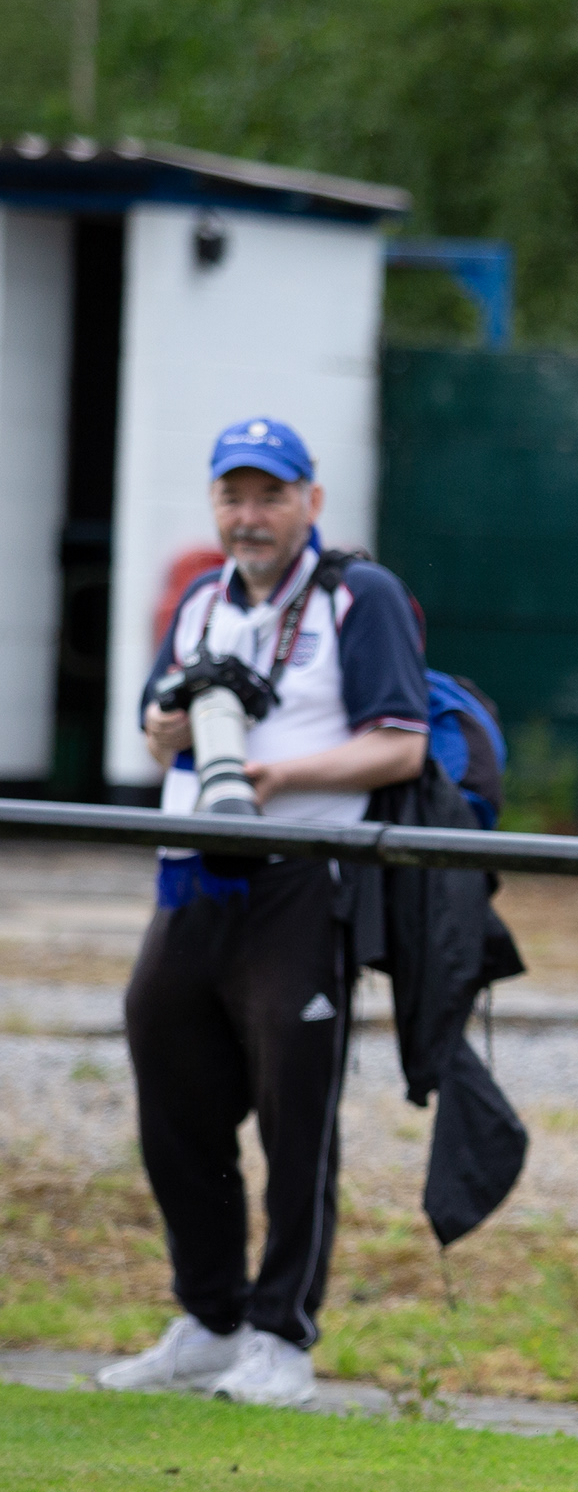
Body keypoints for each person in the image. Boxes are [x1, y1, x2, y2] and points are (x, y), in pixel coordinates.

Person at [98, 417, 430, 1408]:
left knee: (295, 1112)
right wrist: (169, 727)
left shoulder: (356, 594)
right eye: (233, 496)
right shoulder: (201, 598)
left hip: (301, 878)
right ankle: (210, 1317)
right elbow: (157, 734)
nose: (250, 517)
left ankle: (282, 1334)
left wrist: (277, 778)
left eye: (270, 495)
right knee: (173, 1093)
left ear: (310, 501)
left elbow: (401, 742)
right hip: (193, 876)